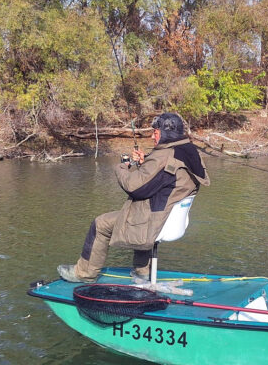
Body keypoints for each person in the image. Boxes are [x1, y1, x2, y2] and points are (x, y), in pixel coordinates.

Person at [58, 112, 210, 283]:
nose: (152, 136)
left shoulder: (163, 156)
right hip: (170, 217)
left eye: (156, 132)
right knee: (144, 208)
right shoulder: (189, 150)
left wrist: (122, 167)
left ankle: (84, 273)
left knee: (100, 224)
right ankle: (142, 272)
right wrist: (146, 163)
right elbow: (165, 179)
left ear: (167, 133)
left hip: (156, 220)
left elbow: (134, 188)